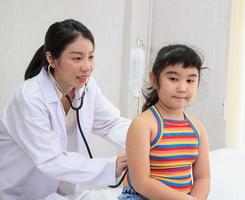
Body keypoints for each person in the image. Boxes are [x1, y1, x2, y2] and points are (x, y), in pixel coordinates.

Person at [0, 19, 130, 200]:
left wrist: (149, 136)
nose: (87, 67)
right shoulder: (30, 97)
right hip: (22, 193)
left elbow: (111, 124)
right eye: (77, 58)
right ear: (51, 59)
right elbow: (51, 160)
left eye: (90, 57)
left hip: (62, 192)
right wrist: (112, 166)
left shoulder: (87, 87)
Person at [118, 44, 211, 200]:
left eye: (190, 80)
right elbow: (141, 182)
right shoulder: (143, 124)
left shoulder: (197, 128)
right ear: (154, 80)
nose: (182, 88)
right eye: (173, 79)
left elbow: (203, 178)